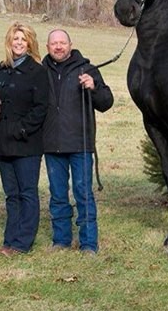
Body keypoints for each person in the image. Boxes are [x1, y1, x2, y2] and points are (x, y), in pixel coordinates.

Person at [42, 29, 114, 254]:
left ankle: (89, 244)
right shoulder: (40, 71)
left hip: (80, 144)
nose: (58, 47)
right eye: (54, 43)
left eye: (62, 42)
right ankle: (61, 240)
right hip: (52, 144)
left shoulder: (87, 69)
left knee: (83, 193)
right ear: (48, 47)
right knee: (57, 195)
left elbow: (106, 102)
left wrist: (93, 87)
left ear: (70, 45)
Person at [0, 22, 48, 256]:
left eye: (23, 39)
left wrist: (23, 129)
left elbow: (41, 107)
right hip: (3, 141)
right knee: (11, 193)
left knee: (27, 192)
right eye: (16, 39)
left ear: (30, 43)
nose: (19, 43)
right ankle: (9, 238)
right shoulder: (0, 69)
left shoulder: (38, 71)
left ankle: (23, 242)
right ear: (9, 42)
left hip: (27, 142)